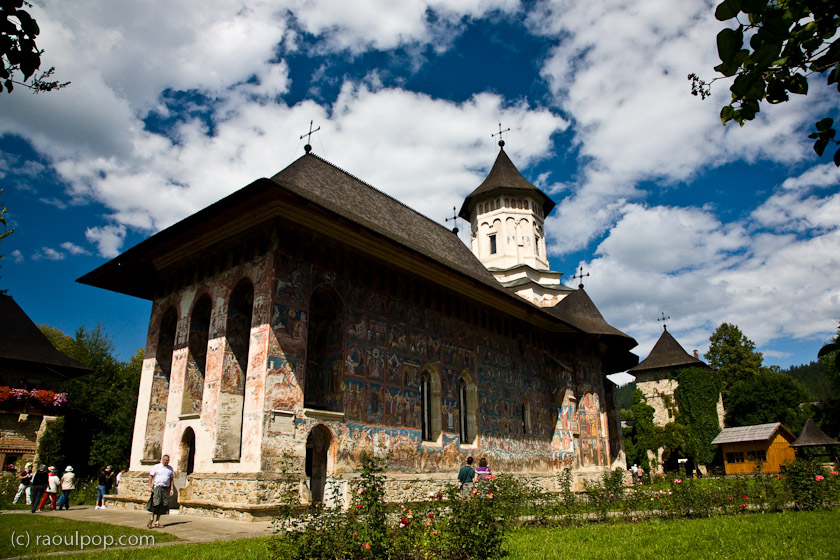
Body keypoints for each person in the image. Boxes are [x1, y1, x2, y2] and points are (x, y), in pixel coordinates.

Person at [146, 455, 175, 528]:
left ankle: (157, 522)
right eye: (166, 460)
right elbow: (151, 476)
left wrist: (171, 489)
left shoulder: (170, 468)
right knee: (156, 503)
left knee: (163, 504)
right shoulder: (157, 467)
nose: (167, 462)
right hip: (157, 487)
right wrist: (149, 486)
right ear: (162, 460)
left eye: (168, 460)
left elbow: (171, 479)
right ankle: (151, 519)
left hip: (165, 488)